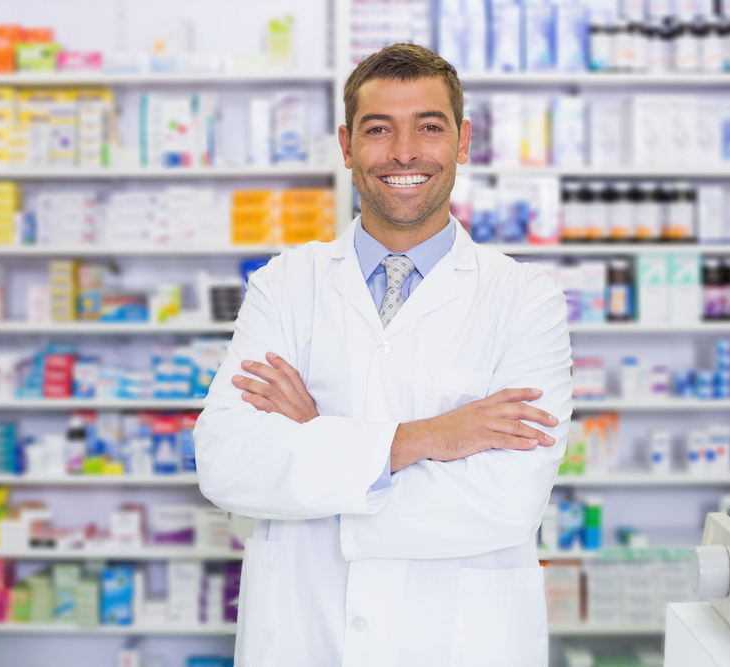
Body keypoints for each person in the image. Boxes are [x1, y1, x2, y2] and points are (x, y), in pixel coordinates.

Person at [194, 43, 573, 667]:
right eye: (379, 129)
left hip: (458, 644)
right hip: (303, 637)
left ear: (464, 140)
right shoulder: (285, 285)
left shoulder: (526, 298)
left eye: (429, 126)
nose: (404, 152)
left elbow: (507, 503)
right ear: (346, 146)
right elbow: (227, 464)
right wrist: (430, 437)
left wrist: (316, 444)